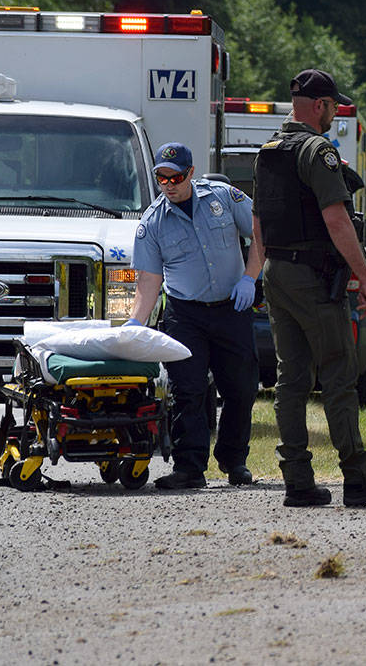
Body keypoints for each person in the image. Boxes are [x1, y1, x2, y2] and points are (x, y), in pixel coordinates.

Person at [251, 69, 366, 508]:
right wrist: (364, 275)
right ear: (320, 105)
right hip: (312, 277)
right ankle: (359, 479)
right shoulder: (317, 150)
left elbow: (259, 225)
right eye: (333, 107)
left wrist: (255, 277)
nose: (333, 115)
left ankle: (297, 481)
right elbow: (337, 220)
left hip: (277, 275)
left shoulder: (267, 151)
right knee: (340, 374)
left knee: (291, 379)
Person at [129, 142, 262, 490]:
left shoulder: (222, 198)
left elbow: (261, 233)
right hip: (185, 313)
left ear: (190, 173)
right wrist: (134, 325)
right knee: (187, 390)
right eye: (161, 177)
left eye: (175, 177)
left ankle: (235, 460)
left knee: (241, 389)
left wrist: (250, 278)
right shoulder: (152, 223)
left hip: (231, 308)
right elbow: (148, 281)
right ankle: (189, 467)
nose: (168, 184)